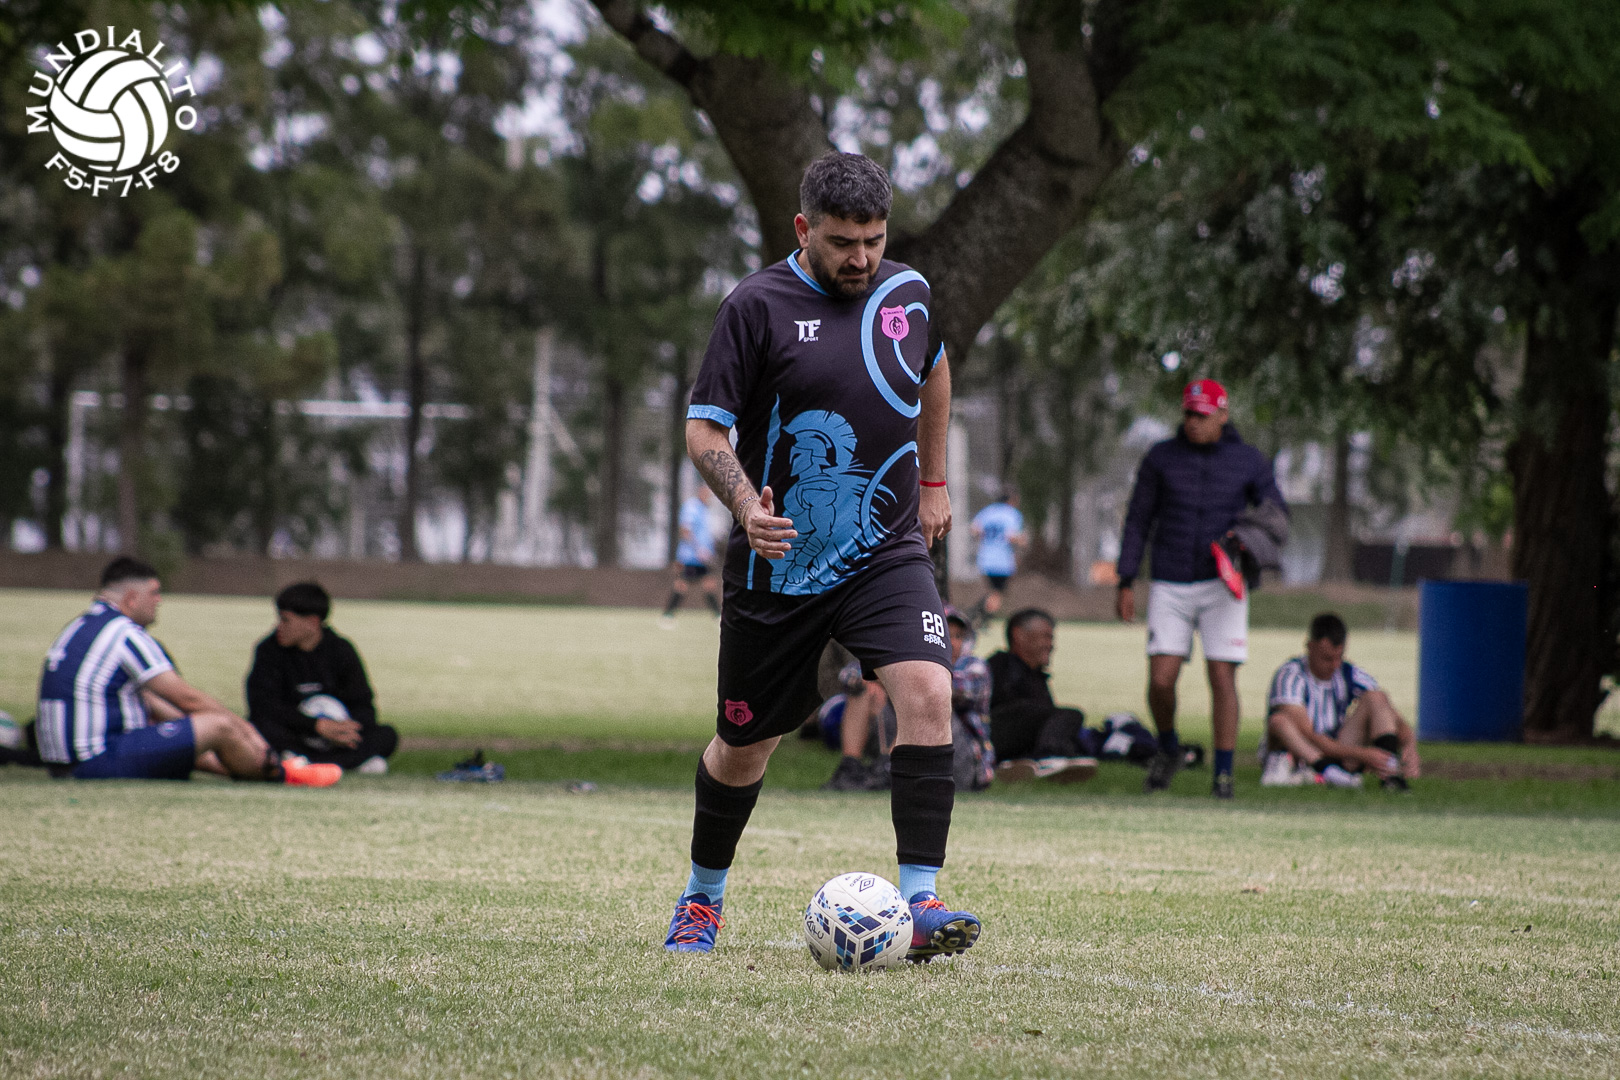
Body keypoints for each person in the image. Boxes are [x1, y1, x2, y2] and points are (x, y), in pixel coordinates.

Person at [663, 151, 979, 960]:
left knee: (928, 691)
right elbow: (704, 429)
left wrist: (933, 481)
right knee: (744, 747)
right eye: (842, 242)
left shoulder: (908, 295)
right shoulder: (755, 306)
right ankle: (702, 899)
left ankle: (922, 902)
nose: (861, 259)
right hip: (782, 564)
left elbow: (935, 369)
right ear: (804, 229)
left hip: (886, 550)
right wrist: (746, 506)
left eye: (874, 240)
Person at [1115, 378, 1287, 799]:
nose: (1194, 422)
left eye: (1203, 415)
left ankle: (1223, 775)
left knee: (1222, 676)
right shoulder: (1161, 457)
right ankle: (1169, 748)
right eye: (1189, 414)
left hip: (1222, 582)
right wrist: (1126, 578)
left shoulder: (1248, 460)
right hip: (1170, 579)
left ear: (1222, 415)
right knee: (1161, 679)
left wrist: (1249, 540)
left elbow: (1275, 510)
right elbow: (1138, 518)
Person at [35, 557, 339, 786]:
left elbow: (154, 703)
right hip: (96, 762)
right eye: (154, 593)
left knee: (192, 737)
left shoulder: (81, 625)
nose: (159, 601)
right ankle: (284, 774)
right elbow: (187, 700)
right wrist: (246, 733)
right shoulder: (124, 633)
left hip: (66, 763)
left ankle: (263, 767)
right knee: (217, 726)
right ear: (131, 598)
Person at [246, 582, 397, 773]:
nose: (279, 627)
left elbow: (363, 703)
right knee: (258, 728)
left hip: (336, 739)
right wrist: (316, 725)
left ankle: (305, 763)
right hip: (295, 732)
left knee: (387, 735)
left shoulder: (341, 650)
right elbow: (263, 705)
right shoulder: (269, 651)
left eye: (286, 620)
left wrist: (345, 730)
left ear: (312, 622)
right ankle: (348, 763)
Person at [1262, 612, 1420, 791]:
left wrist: (1409, 744)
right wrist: (1363, 754)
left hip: (1338, 749)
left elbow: (1390, 714)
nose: (1335, 665)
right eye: (1327, 658)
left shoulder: (1347, 673)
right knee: (1279, 721)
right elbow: (1309, 735)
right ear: (1310, 647)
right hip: (1302, 752)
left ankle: (1391, 776)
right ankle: (1325, 772)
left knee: (1377, 697)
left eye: (1339, 657)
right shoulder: (1290, 675)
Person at [984, 608, 1096, 782]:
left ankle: (1034, 761)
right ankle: (1049, 758)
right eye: (1046, 637)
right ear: (1018, 635)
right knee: (1070, 716)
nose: (1051, 645)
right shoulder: (998, 667)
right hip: (994, 736)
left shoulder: (1035, 676)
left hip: (1014, 742)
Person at [944, 608, 995, 792]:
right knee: (874, 695)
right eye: (945, 634)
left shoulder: (975, 667)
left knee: (937, 706)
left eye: (958, 636)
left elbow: (954, 690)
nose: (952, 642)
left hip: (968, 760)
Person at [661, 486, 723, 625]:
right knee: (682, 585)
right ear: (701, 492)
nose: (709, 497)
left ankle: (718, 616)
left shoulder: (705, 509)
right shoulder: (691, 507)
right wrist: (698, 549)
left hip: (703, 559)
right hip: (690, 557)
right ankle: (668, 615)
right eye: (707, 494)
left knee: (709, 584)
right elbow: (685, 531)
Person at [969, 492, 1026, 624]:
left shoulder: (988, 511)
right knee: (997, 593)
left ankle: (978, 613)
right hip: (1002, 561)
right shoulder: (1012, 514)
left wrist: (986, 537)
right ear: (1011, 500)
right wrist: (1022, 541)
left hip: (985, 558)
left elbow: (974, 529)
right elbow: (1011, 536)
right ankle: (981, 618)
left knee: (992, 591)